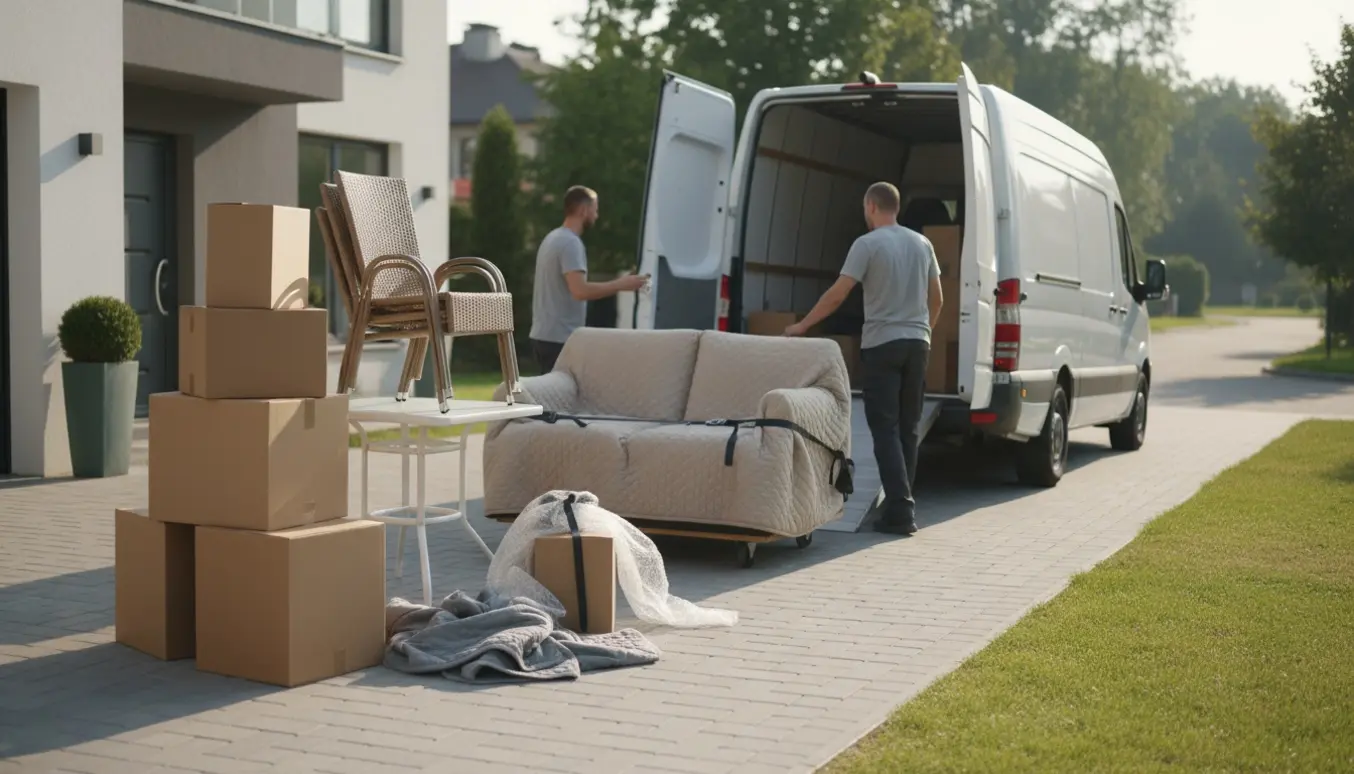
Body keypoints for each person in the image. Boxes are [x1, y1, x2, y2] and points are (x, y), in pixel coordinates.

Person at [785, 182, 943, 536]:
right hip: (918, 344)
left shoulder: (867, 244)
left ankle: (901, 510)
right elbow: (938, 299)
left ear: (872, 206)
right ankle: (900, 504)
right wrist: (925, 333)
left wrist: (803, 325)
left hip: (883, 345)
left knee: (884, 428)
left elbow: (838, 294)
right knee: (908, 427)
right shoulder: (923, 244)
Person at [528, 186, 649, 373]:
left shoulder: (553, 238)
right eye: (595, 209)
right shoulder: (570, 243)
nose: (597, 215)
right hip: (559, 340)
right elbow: (580, 291)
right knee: (564, 399)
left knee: (553, 398)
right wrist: (621, 284)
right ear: (584, 210)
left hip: (545, 336)